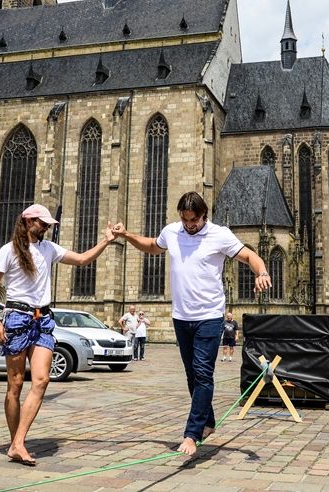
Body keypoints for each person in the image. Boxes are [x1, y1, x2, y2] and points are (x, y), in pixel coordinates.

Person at [111, 191, 270, 455]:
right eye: (185, 220)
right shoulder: (173, 232)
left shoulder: (219, 234)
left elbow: (249, 256)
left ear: (203, 215)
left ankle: (191, 434)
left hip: (209, 316)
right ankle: (207, 421)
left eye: (193, 220)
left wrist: (261, 272)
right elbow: (152, 246)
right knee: (191, 375)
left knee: (203, 372)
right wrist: (126, 235)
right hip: (181, 317)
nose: (189, 225)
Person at [0, 204, 116, 467]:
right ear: (27, 221)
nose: (45, 228)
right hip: (16, 318)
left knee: (41, 380)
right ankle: (16, 443)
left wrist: (106, 241)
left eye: (47, 224)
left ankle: (18, 442)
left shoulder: (49, 249)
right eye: (41, 223)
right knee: (16, 385)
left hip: (42, 319)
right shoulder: (8, 251)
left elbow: (81, 259)